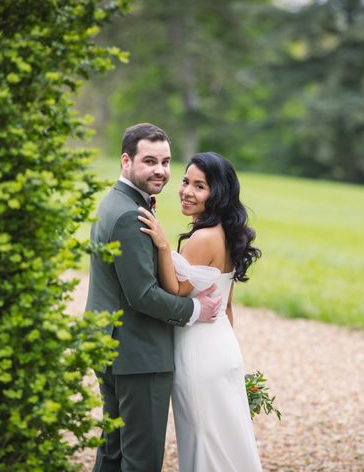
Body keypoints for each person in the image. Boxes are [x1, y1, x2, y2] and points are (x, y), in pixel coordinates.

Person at [85, 123, 222, 472]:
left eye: (165, 161)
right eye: (149, 161)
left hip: (113, 347)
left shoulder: (115, 201)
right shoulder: (131, 214)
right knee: (141, 461)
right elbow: (142, 295)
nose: (160, 170)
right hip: (138, 354)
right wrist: (194, 309)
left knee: (113, 454)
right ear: (125, 161)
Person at [137, 151, 263, 472]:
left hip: (198, 352)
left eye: (200, 186)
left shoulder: (203, 238)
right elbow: (229, 305)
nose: (187, 192)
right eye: (185, 181)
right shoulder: (229, 236)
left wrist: (164, 247)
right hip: (224, 347)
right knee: (227, 437)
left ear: (216, 194)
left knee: (203, 441)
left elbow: (176, 291)